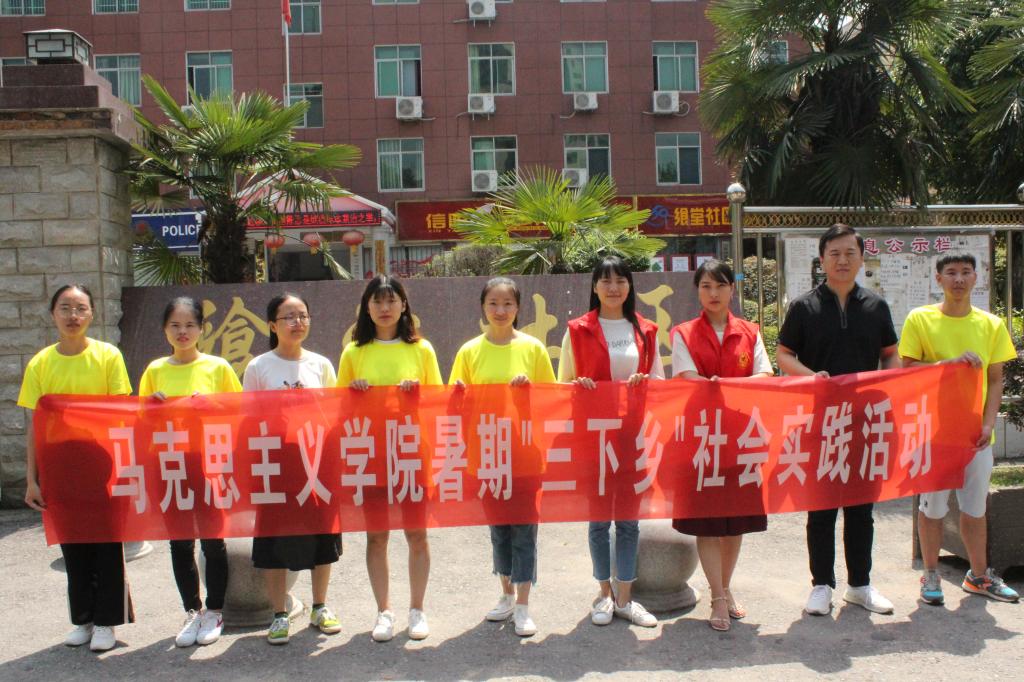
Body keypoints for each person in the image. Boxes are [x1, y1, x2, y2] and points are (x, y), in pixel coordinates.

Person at [777, 223, 900, 616]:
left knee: (862, 507)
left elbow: (890, 354)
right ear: (822, 259)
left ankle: (860, 585)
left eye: (850, 253)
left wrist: (888, 381)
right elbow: (784, 354)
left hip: (866, 420)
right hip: (820, 420)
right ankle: (821, 585)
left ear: (862, 258)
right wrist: (811, 377)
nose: (843, 260)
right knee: (821, 507)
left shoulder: (876, 306)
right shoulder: (803, 307)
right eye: (835, 253)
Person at [18, 284, 134, 652]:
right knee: (72, 543)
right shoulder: (40, 363)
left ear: (92, 314)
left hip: (100, 460)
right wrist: (32, 479)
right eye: (65, 308)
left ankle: (107, 622)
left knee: (106, 544)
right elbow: (35, 426)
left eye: (80, 308)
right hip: (58, 464)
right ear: (52, 314)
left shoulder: (107, 356)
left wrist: (125, 467)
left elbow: (121, 415)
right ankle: (83, 619)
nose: (73, 315)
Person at [899, 252, 1020, 604]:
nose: (959, 279)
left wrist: (987, 423)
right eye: (951, 272)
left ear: (976, 278)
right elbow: (908, 370)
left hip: (975, 436)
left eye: (966, 272)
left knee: (975, 507)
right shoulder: (920, 319)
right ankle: (930, 574)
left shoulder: (991, 324)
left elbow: (995, 380)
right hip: (933, 433)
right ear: (938, 279)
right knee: (932, 507)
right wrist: (948, 364)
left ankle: (979, 576)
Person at [557, 255, 662, 629]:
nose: (613, 287)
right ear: (595, 287)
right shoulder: (577, 330)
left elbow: (660, 382)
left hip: (632, 434)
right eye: (606, 281)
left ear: (630, 286)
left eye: (620, 280)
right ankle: (603, 594)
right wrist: (579, 386)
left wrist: (645, 383)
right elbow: (562, 385)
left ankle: (626, 598)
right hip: (594, 436)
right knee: (599, 521)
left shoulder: (646, 330)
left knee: (629, 522)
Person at [669, 259, 773, 631]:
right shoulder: (683, 333)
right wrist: (717, 385)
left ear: (732, 289)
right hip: (701, 435)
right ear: (698, 291)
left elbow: (765, 374)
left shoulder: (750, 331)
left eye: (721, 286)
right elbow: (686, 376)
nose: (713, 293)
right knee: (708, 520)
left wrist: (725, 385)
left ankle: (726, 588)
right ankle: (715, 595)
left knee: (736, 520)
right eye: (706, 286)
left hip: (742, 434)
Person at [449, 277, 556, 637]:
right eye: (493, 303)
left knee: (524, 530)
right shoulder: (469, 352)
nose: (500, 310)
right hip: (487, 453)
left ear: (518, 308)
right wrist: (458, 394)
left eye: (507, 303)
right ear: (483, 307)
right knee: (499, 530)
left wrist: (528, 393)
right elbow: (454, 405)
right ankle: (506, 595)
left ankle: (523, 604)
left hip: (525, 454)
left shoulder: (533, 348)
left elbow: (551, 400)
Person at [338, 274, 442, 642]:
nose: (385, 308)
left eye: (391, 300)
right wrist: (354, 394)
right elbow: (339, 411)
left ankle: (417, 609)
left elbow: (438, 402)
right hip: (371, 455)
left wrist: (418, 394)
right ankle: (384, 611)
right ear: (366, 308)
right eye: (377, 301)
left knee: (417, 534)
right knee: (377, 536)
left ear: (403, 305)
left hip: (412, 452)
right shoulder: (354, 353)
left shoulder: (422, 350)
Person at [139, 297, 241, 647]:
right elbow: (141, 421)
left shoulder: (218, 367)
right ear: (164, 330)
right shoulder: (155, 370)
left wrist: (212, 405)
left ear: (202, 329)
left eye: (189, 325)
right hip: (170, 464)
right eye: (175, 325)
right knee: (180, 541)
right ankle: (192, 610)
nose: (182, 332)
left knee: (213, 540)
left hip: (210, 461)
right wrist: (152, 407)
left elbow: (240, 411)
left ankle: (215, 611)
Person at [242, 293, 342, 645]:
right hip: (276, 461)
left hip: (316, 459)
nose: (297, 323)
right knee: (274, 537)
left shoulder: (321, 365)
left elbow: (334, 414)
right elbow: (249, 418)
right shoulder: (258, 367)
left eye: (303, 315)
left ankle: (319, 606)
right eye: (288, 317)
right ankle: (279, 614)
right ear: (272, 325)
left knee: (322, 534)